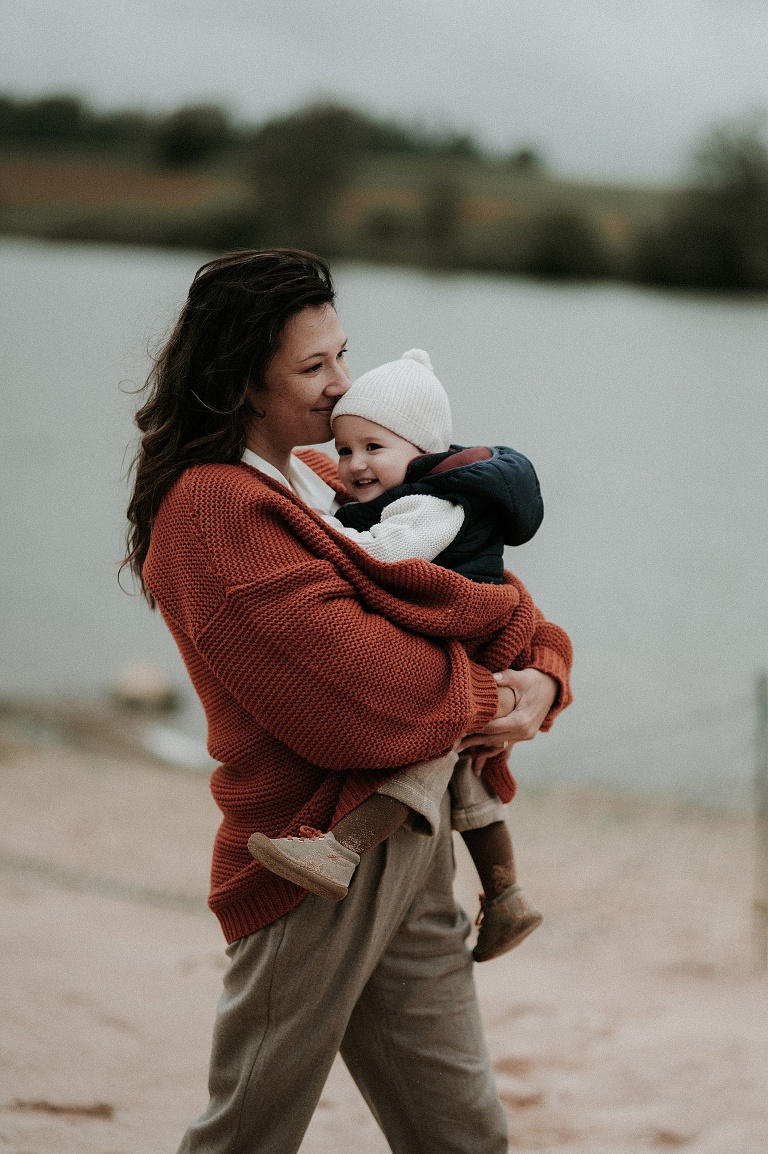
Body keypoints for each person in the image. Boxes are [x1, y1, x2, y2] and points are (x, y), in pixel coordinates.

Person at [124, 248, 573, 1154]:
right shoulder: (216, 511)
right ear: (240, 380)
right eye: (313, 366)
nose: (344, 386)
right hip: (308, 861)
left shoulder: (331, 481)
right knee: (250, 1132)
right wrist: (495, 687)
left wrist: (546, 678)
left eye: (343, 355)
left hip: (415, 838)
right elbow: (363, 702)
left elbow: (502, 601)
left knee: (464, 1135)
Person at [247, 348, 547, 961]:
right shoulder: (408, 491)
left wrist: (310, 526)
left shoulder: (428, 504)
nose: (354, 464)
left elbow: (381, 553)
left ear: (421, 449)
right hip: (460, 651)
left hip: (461, 647)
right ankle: (505, 892)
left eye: (372, 448)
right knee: (462, 771)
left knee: (417, 764)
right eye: (346, 449)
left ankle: (339, 850)